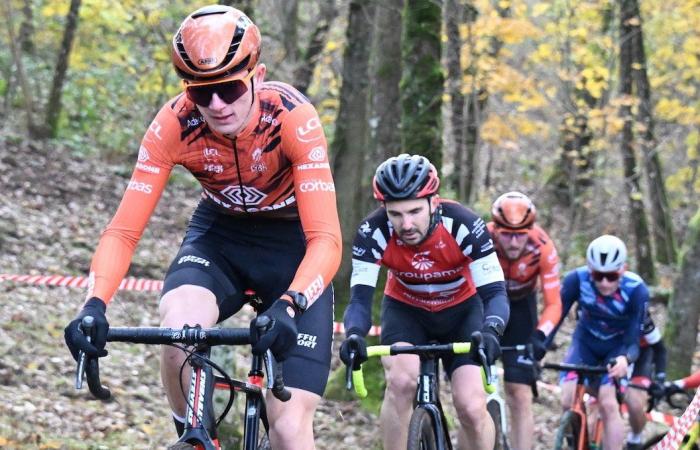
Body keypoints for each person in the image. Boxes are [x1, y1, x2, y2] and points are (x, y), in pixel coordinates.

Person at [63, 5, 341, 449]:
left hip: (293, 249)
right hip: (220, 239)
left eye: (229, 89)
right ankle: (196, 439)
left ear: (258, 74)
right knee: (179, 333)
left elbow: (326, 239)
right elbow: (122, 232)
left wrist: (290, 305)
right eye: (201, 93)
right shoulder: (174, 124)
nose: (216, 105)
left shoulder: (292, 117)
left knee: (288, 428)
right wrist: (93, 304)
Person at [338, 154, 510, 450]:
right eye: (396, 214)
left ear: (434, 202)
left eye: (415, 211)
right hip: (406, 311)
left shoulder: (465, 224)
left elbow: (495, 294)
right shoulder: (372, 232)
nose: (406, 224)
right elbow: (360, 300)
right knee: (401, 384)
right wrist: (354, 334)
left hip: (463, 312)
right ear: (384, 209)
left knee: (469, 405)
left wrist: (492, 330)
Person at [548, 235, 648, 450]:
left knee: (608, 403)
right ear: (589, 269)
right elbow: (556, 317)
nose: (604, 282)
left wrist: (625, 359)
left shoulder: (636, 289)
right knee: (566, 399)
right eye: (598, 275)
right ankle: (575, 438)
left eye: (611, 276)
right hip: (585, 343)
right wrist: (539, 347)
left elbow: (633, 339)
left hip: (617, 347)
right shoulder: (576, 279)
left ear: (623, 269)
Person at [487, 191, 562, 450]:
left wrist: (540, 336)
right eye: (507, 234)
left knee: (519, 393)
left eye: (520, 234)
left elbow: (554, 304)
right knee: (471, 396)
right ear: (495, 229)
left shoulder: (542, 247)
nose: (514, 242)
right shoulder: (481, 239)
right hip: (483, 306)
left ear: (530, 230)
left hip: (521, 310)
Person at [624, 308, 667, 450]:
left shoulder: (640, 316)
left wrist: (660, 379)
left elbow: (660, 349)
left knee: (636, 404)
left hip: (640, 358)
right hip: (611, 352)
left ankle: (635, 439)